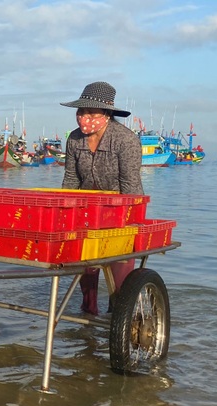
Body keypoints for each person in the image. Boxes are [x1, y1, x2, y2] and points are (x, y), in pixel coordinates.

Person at [60, 81, 143, 315]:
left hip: (120, 211)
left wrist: (127, 225)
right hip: (86, 211)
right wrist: (66, 214)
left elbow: (131, 186)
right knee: (86, 267)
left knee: (120, 273)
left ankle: (119, 317)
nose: (84, 118)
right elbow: (70, 180)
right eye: (81, 112)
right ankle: (88, 314)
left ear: (106, 114)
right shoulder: (75, 140)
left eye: (90, 113)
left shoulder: (125, 140)